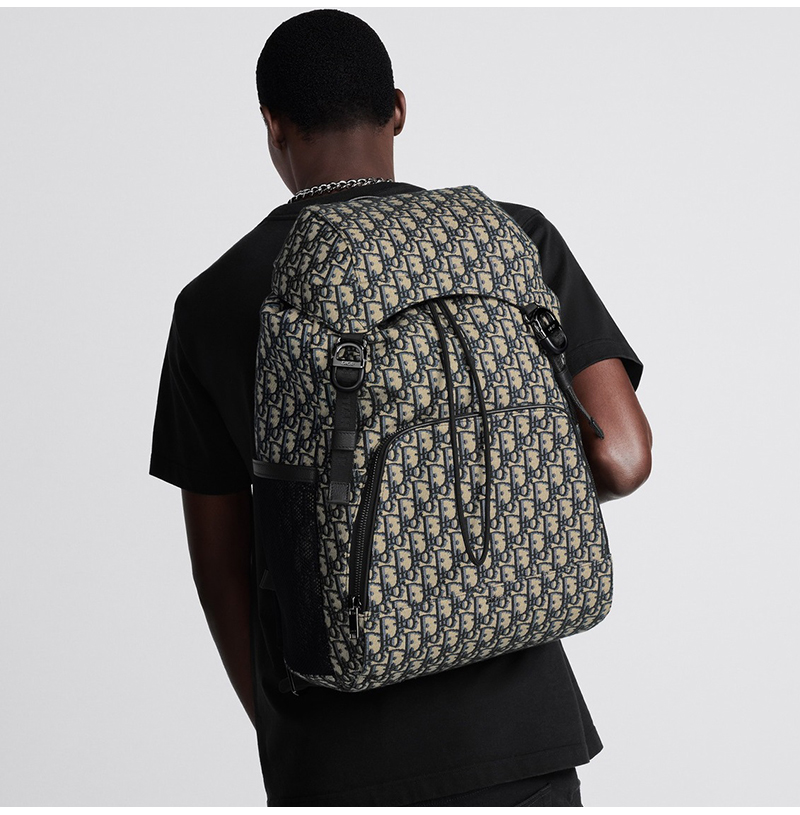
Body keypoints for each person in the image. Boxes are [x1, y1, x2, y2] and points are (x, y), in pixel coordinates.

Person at [149, 9, 652, 807]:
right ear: (399, 109)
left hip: (334, 755)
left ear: (272, 124)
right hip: (521, 735)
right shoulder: (510, 240)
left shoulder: (214, 299)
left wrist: (288, 737)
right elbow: (622, 458)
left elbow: (221, 564)